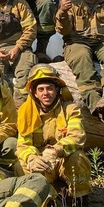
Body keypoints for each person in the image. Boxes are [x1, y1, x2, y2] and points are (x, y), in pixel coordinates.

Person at [15, 65, 92, 199]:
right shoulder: (25, 112)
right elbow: (23, 144)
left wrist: (56, 150)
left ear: (57, 90)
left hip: (63, 162)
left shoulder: (70, 109)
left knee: (78, 157)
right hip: (41, 163)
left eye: (50, 88)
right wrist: (32, 158)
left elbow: (77, 136)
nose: (46, 93)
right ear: (34, 93)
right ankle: (45, 201)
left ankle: (81, 200)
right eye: (41, 89)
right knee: (19, 165)